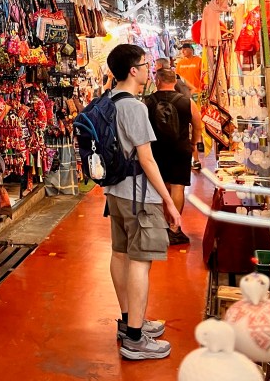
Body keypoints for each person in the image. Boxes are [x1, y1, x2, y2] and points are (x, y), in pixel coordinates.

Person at [103, 44, 181, 362]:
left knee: (120, 254)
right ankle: (135, 338)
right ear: (133, 70)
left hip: (115, 192)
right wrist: (169, 201)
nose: (150, 69)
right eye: (145, 64)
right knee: (140, 261)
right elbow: (147, 159)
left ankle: (128, 321)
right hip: (138, 196)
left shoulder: (108, 101)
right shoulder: (134, 107)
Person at [145, 69, 202, 245]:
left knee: (162, 187)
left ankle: (163, 225)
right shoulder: (187, 101)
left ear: (158, 81)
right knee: (178, 187)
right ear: (175, 82)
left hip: (156, 150)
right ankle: (174, 228)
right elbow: (198, 124)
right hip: (180, 149)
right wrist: (193, 143)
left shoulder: (147, 101)